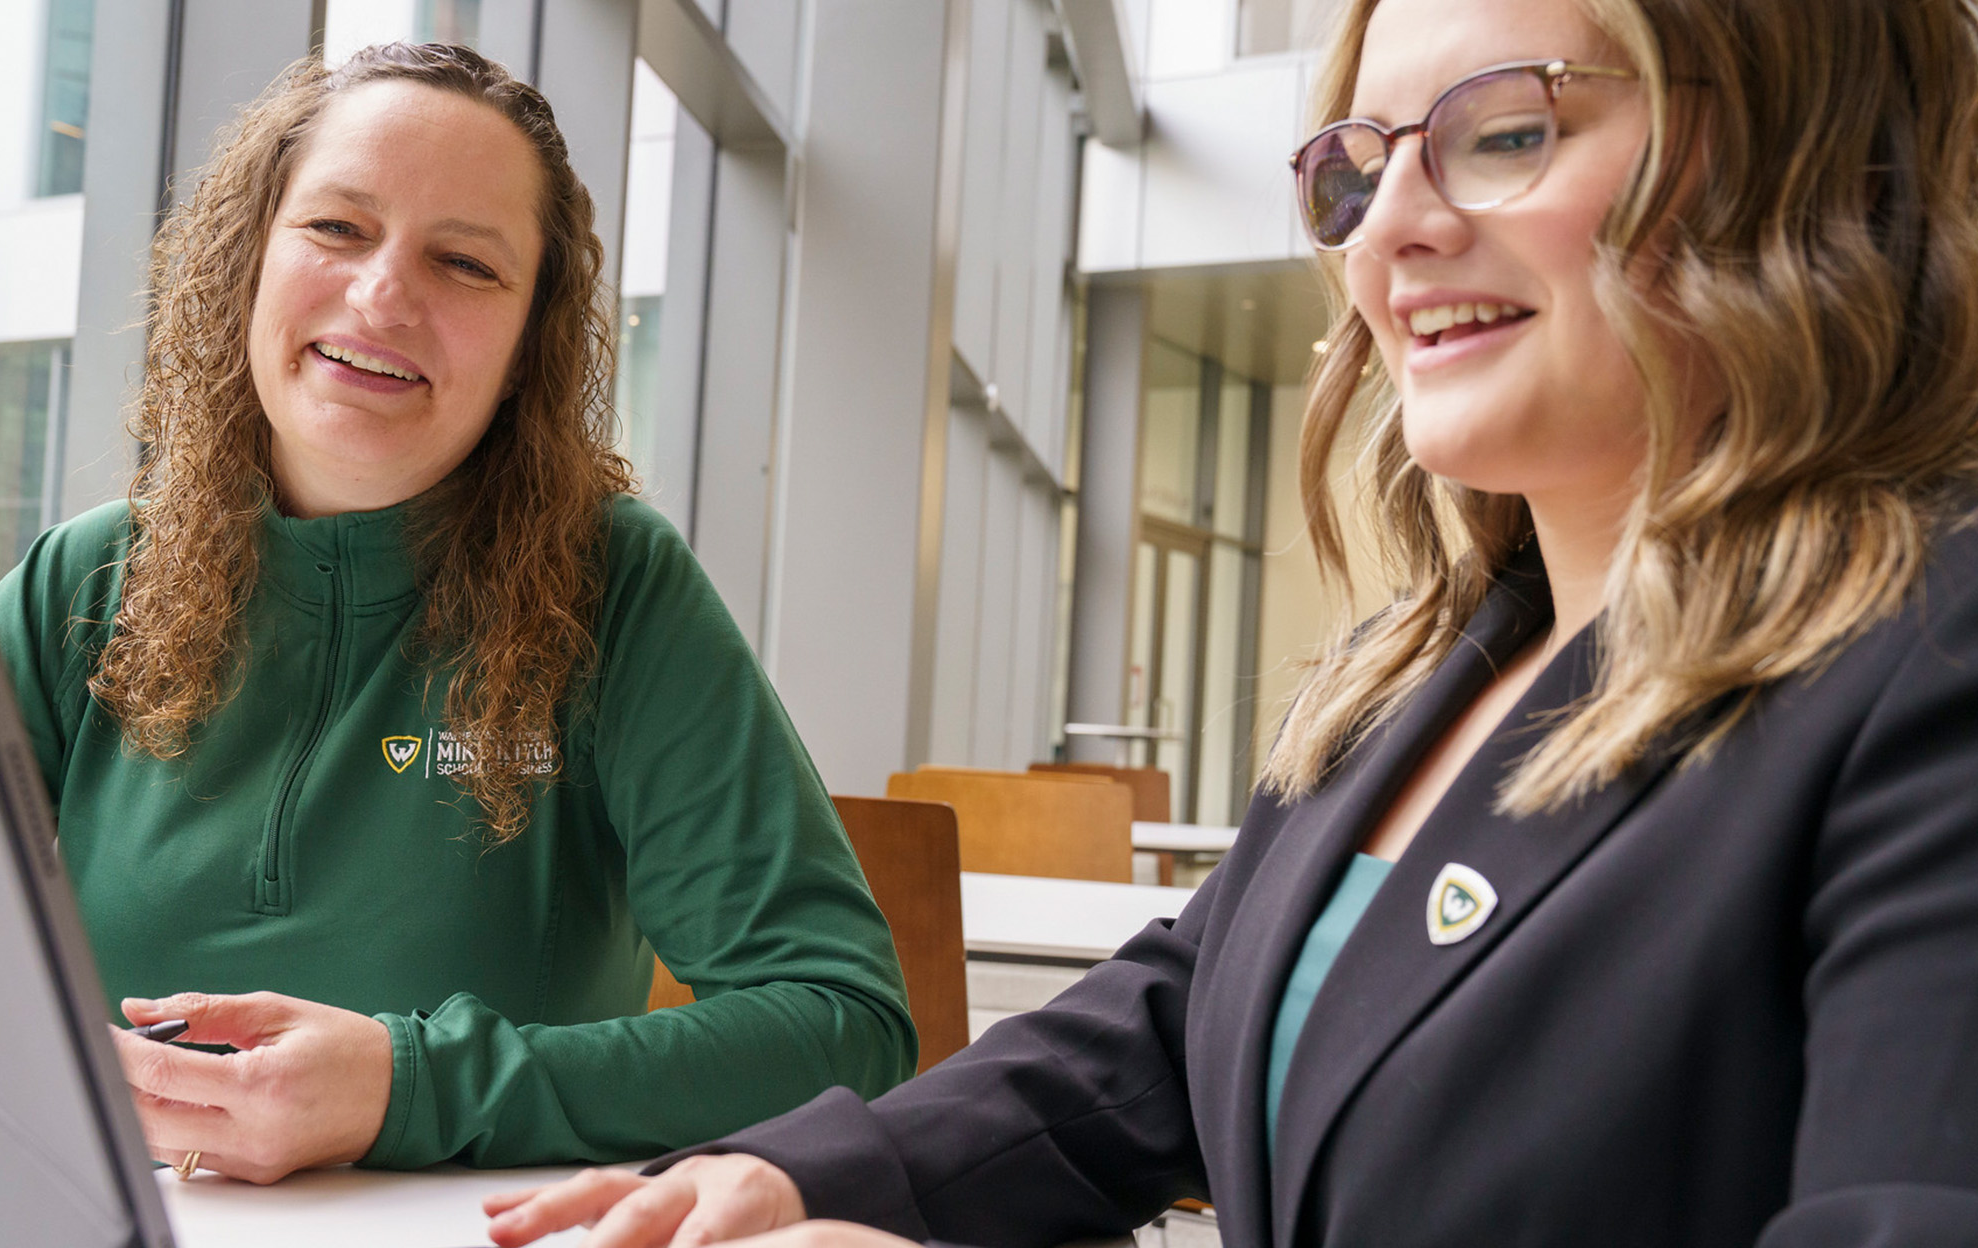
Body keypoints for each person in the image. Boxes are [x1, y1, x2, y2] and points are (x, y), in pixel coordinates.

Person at [484, 0, 1978, 1243]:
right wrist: (816, 1175)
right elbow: (1177, 1030)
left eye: (1508, 133)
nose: (1387, 231)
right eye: (1357, 168)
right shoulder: (1419, 674)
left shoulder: (1932, 663)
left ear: (1807, 157)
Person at [0, 42, 914, 1184]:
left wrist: (408, 1088)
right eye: (337, 228)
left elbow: (840, 1023)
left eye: (464, 262)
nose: (381, 298)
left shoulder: (615, 590)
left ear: (531, 341)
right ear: (249, 258)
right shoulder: (89, 584)